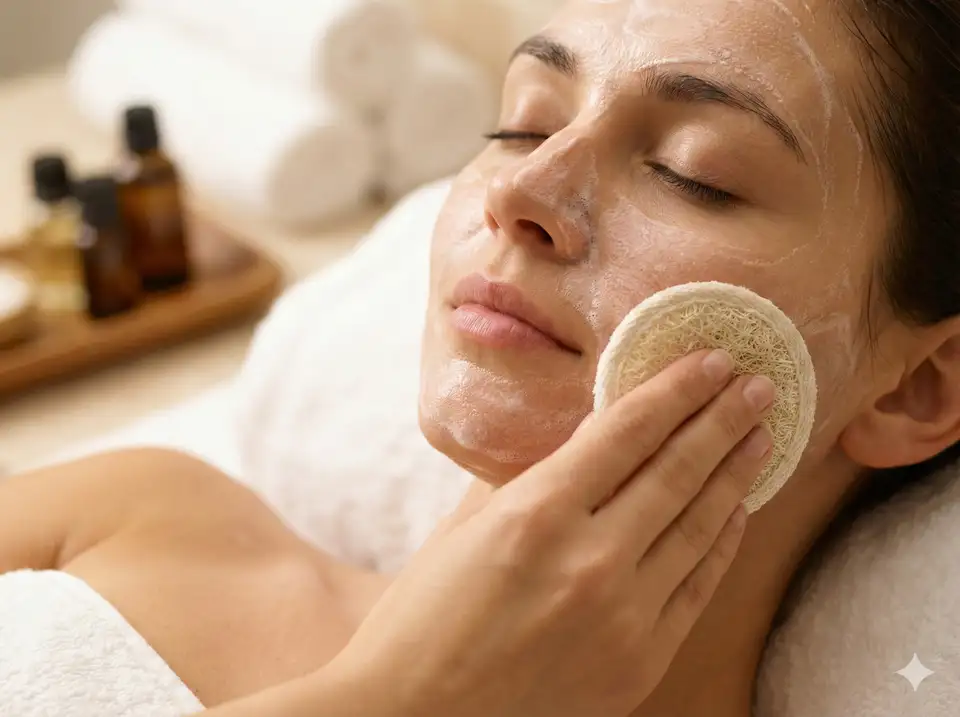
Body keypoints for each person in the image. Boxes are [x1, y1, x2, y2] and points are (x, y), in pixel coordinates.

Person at [2, 0, 960, 715]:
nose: (523, 189)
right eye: (524, 124)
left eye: (692, 172)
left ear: (916, 387)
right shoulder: (141, 515)